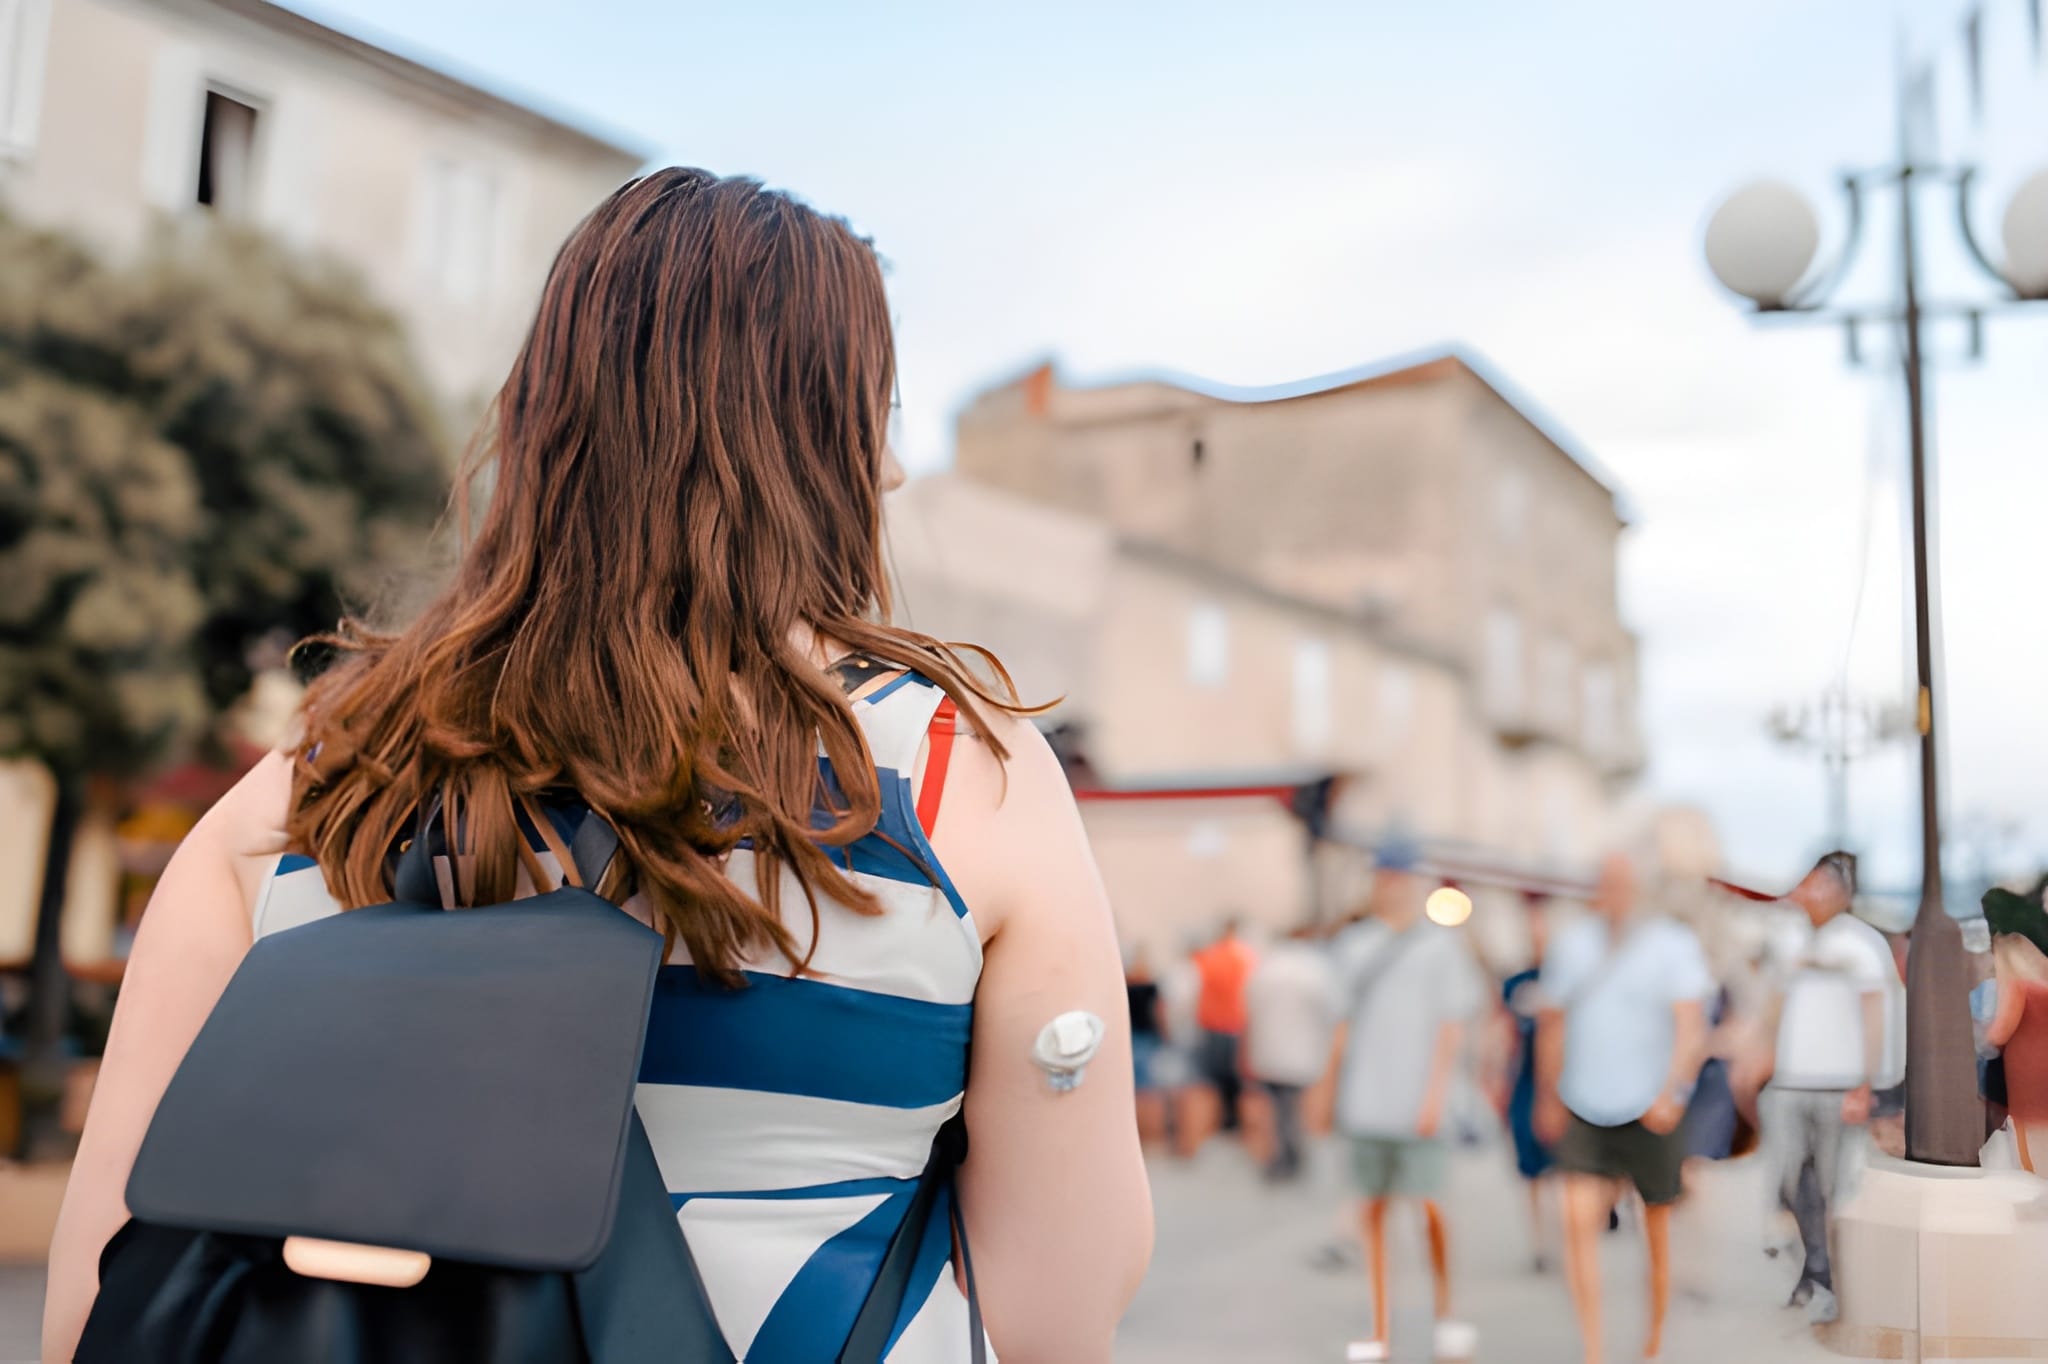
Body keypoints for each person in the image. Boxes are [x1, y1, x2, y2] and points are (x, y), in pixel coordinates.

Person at [42, 169, 1154, 1364]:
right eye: (878, 415)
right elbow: (1056, 1309)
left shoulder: (300, 795)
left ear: (542, 412)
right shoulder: (958, 780)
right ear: (837, 445)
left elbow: (98, 1309)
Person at [1537, 847, 1712, 1364]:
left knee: (1655, 1235)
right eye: (1606, 881)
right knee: (1574, 1222)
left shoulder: (1672, 944)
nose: (1613, 892)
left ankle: (1652, 1345)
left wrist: (1672, 1093)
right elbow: (1552, 1022)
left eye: (1623, 882)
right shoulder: (1571, 944)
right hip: (1583, 1102)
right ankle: (1593, 1350)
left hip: (1649, 1108)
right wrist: (1547, 1096)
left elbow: (1691, 1027)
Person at [1332, 840, 1482, 1363]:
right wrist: (1330, 1091)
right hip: (1369, 1100)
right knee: (1372, 1215)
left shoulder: (1440, 948)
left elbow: (1450, 1028)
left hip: (1420, 1106)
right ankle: (1379, 1327)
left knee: (1431, 1211)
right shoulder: (1355, 944)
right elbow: (1343, 1025)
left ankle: (1446, 1312)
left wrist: (1435, 1097)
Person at [1754, 850, 1891, 1326]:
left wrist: (1865, 1081)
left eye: (1820, 885)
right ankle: (1813, 1268)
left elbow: (1874, 1017)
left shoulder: (1859, 945)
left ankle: (1827, 1277)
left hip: (1838, 1083)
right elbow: (1773, 1008)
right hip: (1791, 1081)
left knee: (1834, 1186)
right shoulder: (1788, 940)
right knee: (1792, 1181)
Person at [1244, 924, 1339, 1181]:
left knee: (1277, 1108)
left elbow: (1250, 1008)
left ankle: (1282, 1157)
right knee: (1293, 1108)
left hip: (1269, 1052)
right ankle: (1290, 1156)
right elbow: (1328, 1011)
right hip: (1301, 1052)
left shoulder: (1266, 969)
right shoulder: (1313, 970)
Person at [1496, 894, 1555, 1272]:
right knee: (1530, 1166)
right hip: (1526, 1079)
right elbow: (1501, 1031)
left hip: (1563, 1083)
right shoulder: (1516, 982)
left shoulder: (1571, 978)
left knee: (1564, 1166)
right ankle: (1540, 1242)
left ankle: (1566, 1232)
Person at [1984, 886, 2048, 1171]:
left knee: (2033, 1157)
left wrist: (1979, 1038)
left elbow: (2001, 1029)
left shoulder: (2011, 961)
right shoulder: (2039, 965)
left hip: (2028, 1072)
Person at [1191, 917, 1258, 1133]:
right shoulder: (1242, 955)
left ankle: (1226, 1117)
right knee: (1230, 1074)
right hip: (1229, 1022)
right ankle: (1231, 1118)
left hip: (1218, 1022)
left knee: (1220, 1075)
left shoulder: (1213, 955)